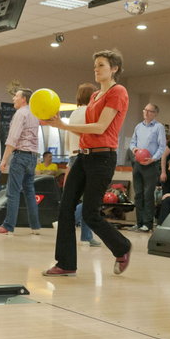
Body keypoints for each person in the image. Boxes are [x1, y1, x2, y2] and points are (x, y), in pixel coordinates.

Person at [42, 49, 132, 277]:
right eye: (95, 65)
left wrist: (62, 126)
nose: (96, 69)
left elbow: (101, 128)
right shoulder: (94, 96)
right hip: (84, 156)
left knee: (90, 213)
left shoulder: (118, 91)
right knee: (65, 208)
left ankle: (121, 247)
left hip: (103, 158)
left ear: (114, 69)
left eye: (101, 65)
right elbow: (87, 131)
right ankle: (66, 263)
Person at [0, 89, 41, 235]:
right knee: (29, 192)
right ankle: (35, 226)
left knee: (12, 192)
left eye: (16, 96)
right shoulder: (34, 113)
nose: (14, 98)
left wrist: (4, 159)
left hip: (20, 156)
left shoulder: (20, 114)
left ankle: (8, 226)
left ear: (24, 99)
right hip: (32, 157)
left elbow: (13, 139)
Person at [65, 82, 101, 247]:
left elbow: (67, 138)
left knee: (76, 197)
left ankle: (87, 235)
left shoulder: (73, 113)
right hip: (85, 156)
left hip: (73, 156)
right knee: (89, 200)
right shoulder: (90, 112)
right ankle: (66, 219)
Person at [129, 103, 166, 232]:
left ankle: (147, 224)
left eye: (150, 111)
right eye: (145, 110)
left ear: (155, 113)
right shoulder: (138, 126)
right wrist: (134, 149)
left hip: (151, 164)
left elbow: (162, 147)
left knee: (148, 194)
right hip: (138, 164)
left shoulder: (158, 127)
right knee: (138, 194)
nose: (146, 113)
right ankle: (138, 223)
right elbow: (132, 142)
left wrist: (153, 159)